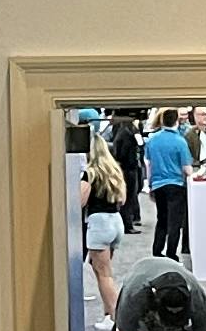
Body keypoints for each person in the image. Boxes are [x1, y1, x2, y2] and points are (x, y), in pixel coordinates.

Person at [79, 145, 129, 318]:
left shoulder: (90, 174)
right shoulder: (114, 171)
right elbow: (122, 198)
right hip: (116, 221)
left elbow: (80, 201)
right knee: (104, 270)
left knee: (103, 275)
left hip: (99, 223)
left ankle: (116, 317)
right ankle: (108, 311)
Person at [141, 110, 195, 264]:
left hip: (158, 184)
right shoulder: (180, 141)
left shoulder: (152, 140)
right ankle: (172, 254)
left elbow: (149, 165)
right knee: (175, 222)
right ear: (177, 121)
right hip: (176, 185)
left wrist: (150, 185)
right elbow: (186, 168)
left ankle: (157, 251)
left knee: (162, 219)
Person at [108, 112, 146, 235]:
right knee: (129, 197)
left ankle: (128, 223)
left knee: (128, 197)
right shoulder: (129, 133)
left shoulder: (122, 132)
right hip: (129, 169)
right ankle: (127, 224)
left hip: (124, 168)